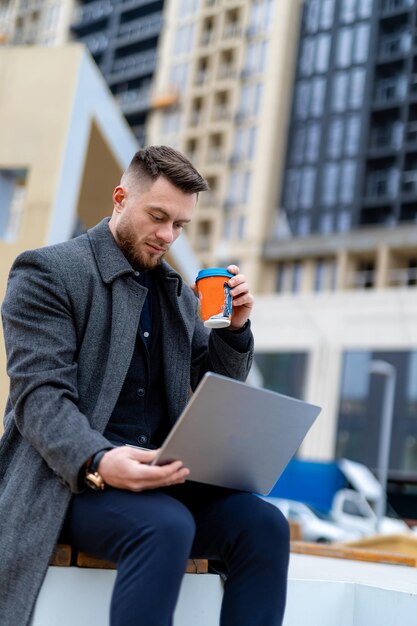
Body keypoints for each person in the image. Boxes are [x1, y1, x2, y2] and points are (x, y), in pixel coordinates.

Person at [0, 146, 289, 626]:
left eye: (179, 225)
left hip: (160, 479)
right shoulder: (47, 272)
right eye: (158, 217)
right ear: (119, 198)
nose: (167, 236)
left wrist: (234, 332)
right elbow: (39, 397)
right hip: (66, 482)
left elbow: (212, 395)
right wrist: (99, 461)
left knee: (264, 525)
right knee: (165, 526)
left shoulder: (177, 294)